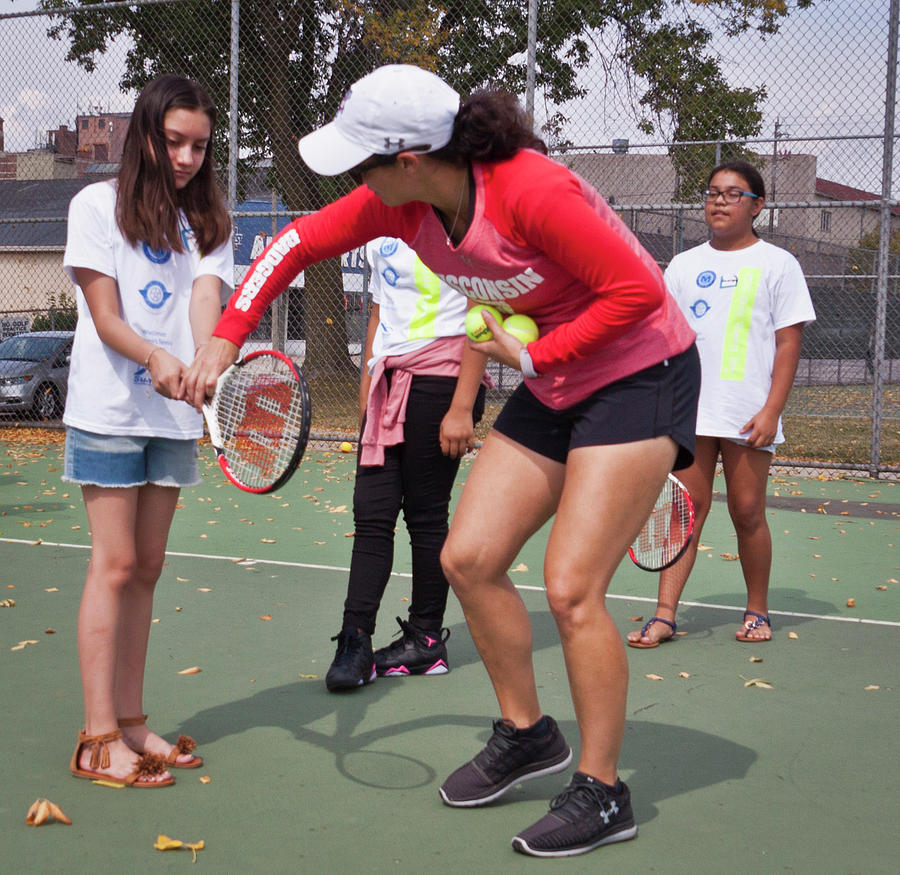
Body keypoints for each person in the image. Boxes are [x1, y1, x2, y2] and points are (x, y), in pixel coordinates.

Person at [182, 64, 699, 857]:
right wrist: (226, 337)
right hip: (556, 375)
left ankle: (603, 790)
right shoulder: (404, 204)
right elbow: (296, 240)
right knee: (469, 556)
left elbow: (637, 289)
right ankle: (528, 734)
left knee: (571, 586)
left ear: (411, 159)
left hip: (641, 370)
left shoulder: (533, 192)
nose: (356, 180)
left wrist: (537, 353)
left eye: (363, 164)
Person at [62, 75, 234, 787]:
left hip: (169, 419)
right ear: (146, 135)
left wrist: (199, 361)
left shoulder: (206, 223)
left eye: (199, 144)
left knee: (150, 567)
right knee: (115, 563)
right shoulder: (95, 204)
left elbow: (204, 302)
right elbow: (106, 318)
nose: (188, 157)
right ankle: (96, 739)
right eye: (174, 141)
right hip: (108, 410)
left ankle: (131, 722)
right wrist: (155, 356)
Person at [627, 160, 815, 649]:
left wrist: (772, 410)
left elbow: (789, 343)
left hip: (749, 411)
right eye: (712, 192)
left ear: (758, 205)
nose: (719, 201)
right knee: (684, 512)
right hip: (690, 411)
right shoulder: (685, 265)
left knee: (748, 511)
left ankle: (757, 611)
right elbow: (664, 338)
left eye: (733, 193)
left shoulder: (779, 263)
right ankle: (665, 614)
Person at [325, 236, 489, 692]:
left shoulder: (458, 229)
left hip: (443, 380)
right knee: (371, 514)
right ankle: (354, 641)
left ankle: (425, 638)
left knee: (426, 514)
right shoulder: (380, 233)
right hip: (388, 379)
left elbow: (480, 316)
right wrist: (366, 384)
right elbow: (378, 315)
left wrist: (461, 406)